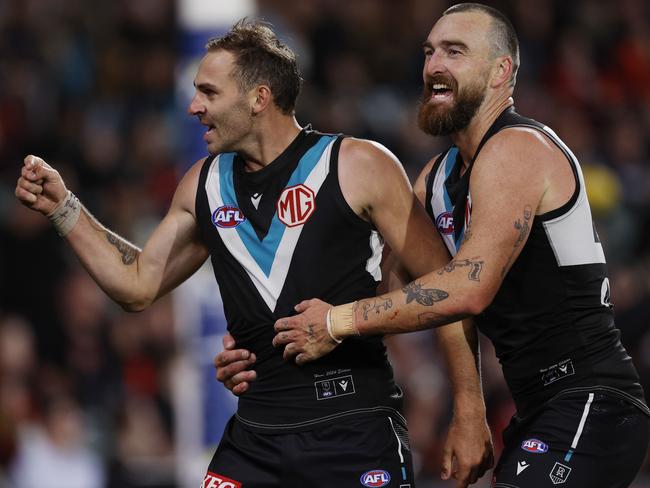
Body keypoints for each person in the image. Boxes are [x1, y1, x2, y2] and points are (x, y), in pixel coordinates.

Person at [14, 20, 493, 488]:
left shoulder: (358, 165)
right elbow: (137, 285)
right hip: (255, 435)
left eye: (208, 92)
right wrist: (65, 208)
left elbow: (445, 289)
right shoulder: (203, 185)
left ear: (259, 98)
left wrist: (470, 414)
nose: (193, 106)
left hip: (353, 425)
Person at [271, 4, 650, 487]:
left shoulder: (520, 149)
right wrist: (270, 337)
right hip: (536, 406)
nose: (433, 66)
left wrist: (336, 321)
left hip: (594, 399)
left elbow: (468, 288)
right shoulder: (436, 181)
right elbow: (384, 289)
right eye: (429, 52)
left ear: (501, 72)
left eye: (455, 51)